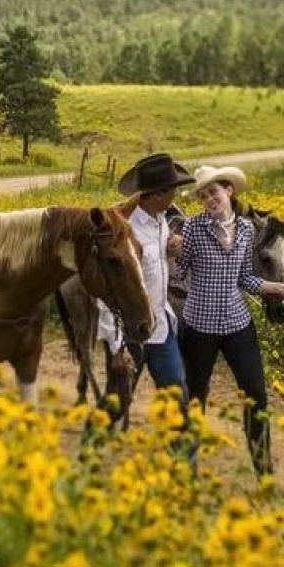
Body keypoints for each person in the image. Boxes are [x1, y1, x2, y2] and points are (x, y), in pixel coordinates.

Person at [173, 164, 284, 478]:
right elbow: (179, 272)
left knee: (256, 396)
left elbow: (246, 278)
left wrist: (279, 288)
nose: (209, 199)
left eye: (214, 192)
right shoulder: (192, 228)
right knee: (194, 400)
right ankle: (186, 473)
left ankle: (264, 472)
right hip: (198, 328)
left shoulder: (247, 230)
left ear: (229, 190)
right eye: (203, 195)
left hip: (237, 326)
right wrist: (170, 249)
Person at [93, 152, 194, 424]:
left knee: (178, 400)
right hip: (130, 334)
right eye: (173, 190)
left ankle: (184, 462)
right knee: (116, 404)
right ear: (157, 195)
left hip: (161, 328)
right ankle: (90, 455)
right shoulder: (121, 230)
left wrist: (169, 250)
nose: (177, 195)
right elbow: (106, 294)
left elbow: (149, 268)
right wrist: (116, 347)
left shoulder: (161, 220)